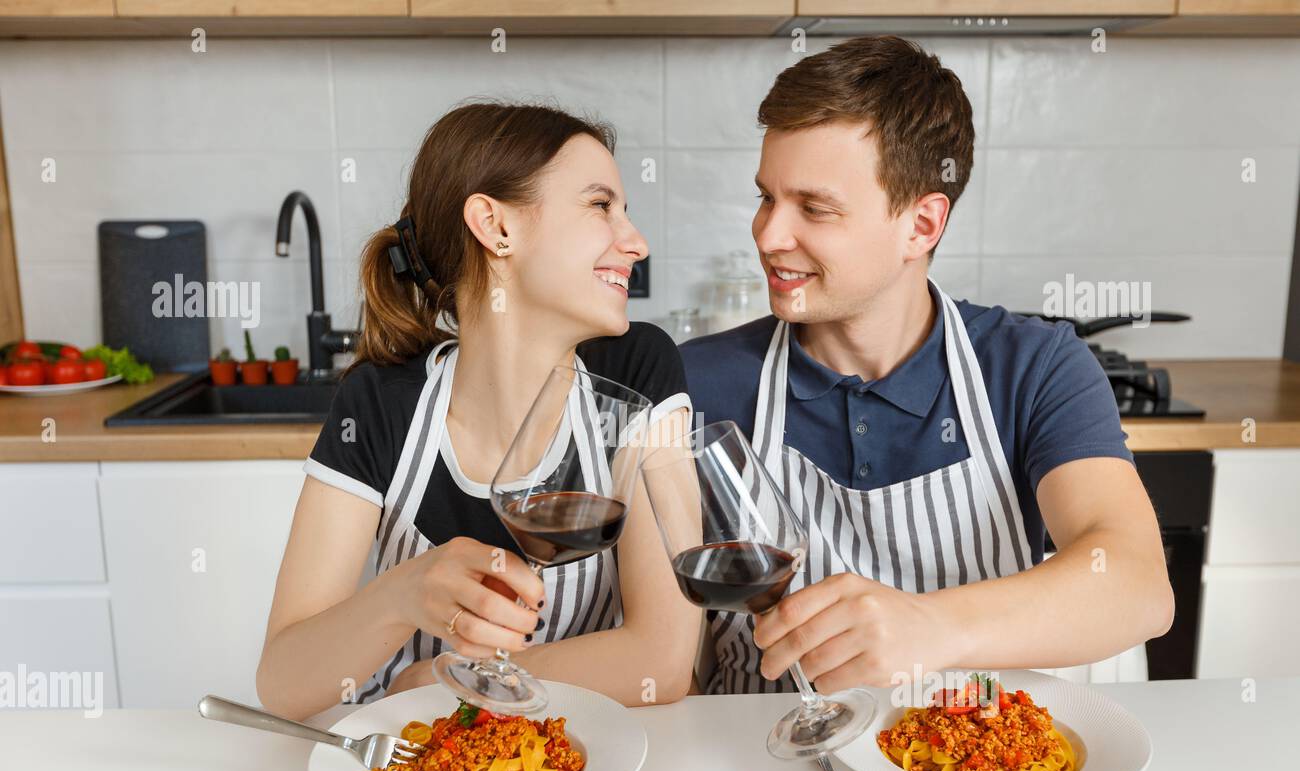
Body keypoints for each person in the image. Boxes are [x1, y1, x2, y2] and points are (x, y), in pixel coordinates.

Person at [681, 36, 1175, 695]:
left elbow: (1136, 583)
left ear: (921, 224)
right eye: (766, 198)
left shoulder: (1033, 367)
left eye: (814, 208)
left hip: (968, 769)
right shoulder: (697, 381)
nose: (768, 236)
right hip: (757, 764)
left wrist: (930, 628)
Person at [258, 102, 700, 721]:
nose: (636, 242)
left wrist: (442, 681)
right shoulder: (381, 403)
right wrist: (401, 596)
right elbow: (283, 684)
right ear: (495, 227)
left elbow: (663, 659)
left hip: (584, 767)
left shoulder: (638, 370)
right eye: (601, 206)